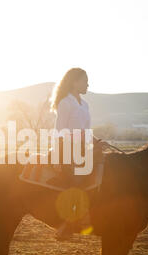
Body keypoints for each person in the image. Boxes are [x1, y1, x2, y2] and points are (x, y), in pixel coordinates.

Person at [50, 67, 91, 240]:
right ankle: (67, 222)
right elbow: (59, 130)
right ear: (74, 83)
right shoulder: (65, 102)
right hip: (66, 148)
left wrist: (93, 142)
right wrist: (57, 156)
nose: (88, 84)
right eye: (84, 81)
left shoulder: (85, 104)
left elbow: (86, 130)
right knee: (75, 180)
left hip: (83, 148)